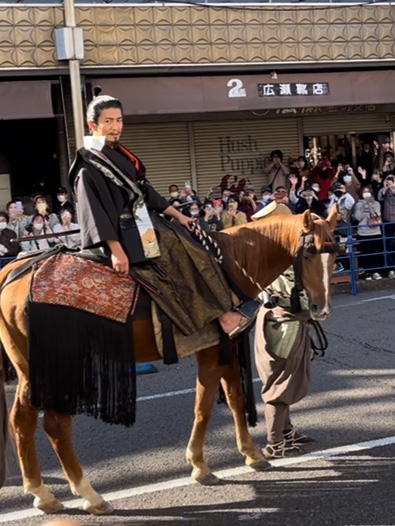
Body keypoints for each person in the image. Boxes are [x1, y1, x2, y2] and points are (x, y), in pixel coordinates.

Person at [69, 94, 256, 338]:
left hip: (142, 224)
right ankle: (222, 317)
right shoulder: (88, 167)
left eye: (119, 120)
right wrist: (115, 251)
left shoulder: (119, 154)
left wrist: (178, 216)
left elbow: (145, 192)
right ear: (92, 125)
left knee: (192, 245)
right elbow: (93, 213)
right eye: (108, 121)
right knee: (178, 254)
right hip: (120, 235)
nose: (116, 127)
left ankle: (226, 307)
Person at [353, 186, 383, 280]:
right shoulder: (358, 204)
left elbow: (377, 215)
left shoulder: (376, 203)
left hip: (375, 231)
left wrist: (370, 207)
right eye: (364, 192)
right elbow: (357, 217)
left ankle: (376, 271)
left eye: (368, 191)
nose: (366, 193)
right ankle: (367, 272)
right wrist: (362, 207)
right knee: (366, 252)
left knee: (375, 252)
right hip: (363, 232)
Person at [378, 174, 395, 278]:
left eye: (391, 179)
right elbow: (380, 198)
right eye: (387, 179)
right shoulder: (383, 190)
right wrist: (385, 187)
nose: (389, 181)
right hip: (388, 221)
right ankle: (391, 268)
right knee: (389, 245)